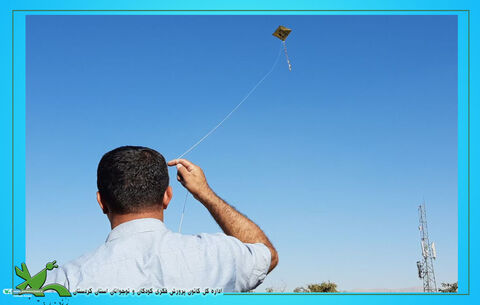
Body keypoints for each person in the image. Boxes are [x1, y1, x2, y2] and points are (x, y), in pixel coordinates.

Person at [48, 146, 278, 293]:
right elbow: (267, 254)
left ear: (101, 201)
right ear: (168, 196)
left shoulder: (65, 281)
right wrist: (204, 193)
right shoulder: (217, 255)